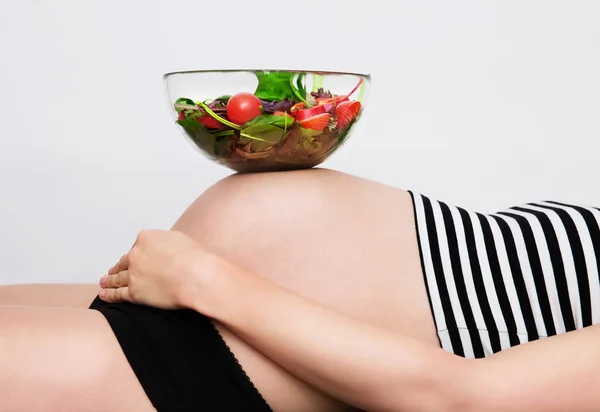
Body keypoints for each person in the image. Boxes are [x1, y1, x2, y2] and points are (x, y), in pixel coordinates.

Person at [0, 168, 598, 411]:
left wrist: (205, 279)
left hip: (219, 358)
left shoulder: (209, 288)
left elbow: (466, 398)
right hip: (187, 309)